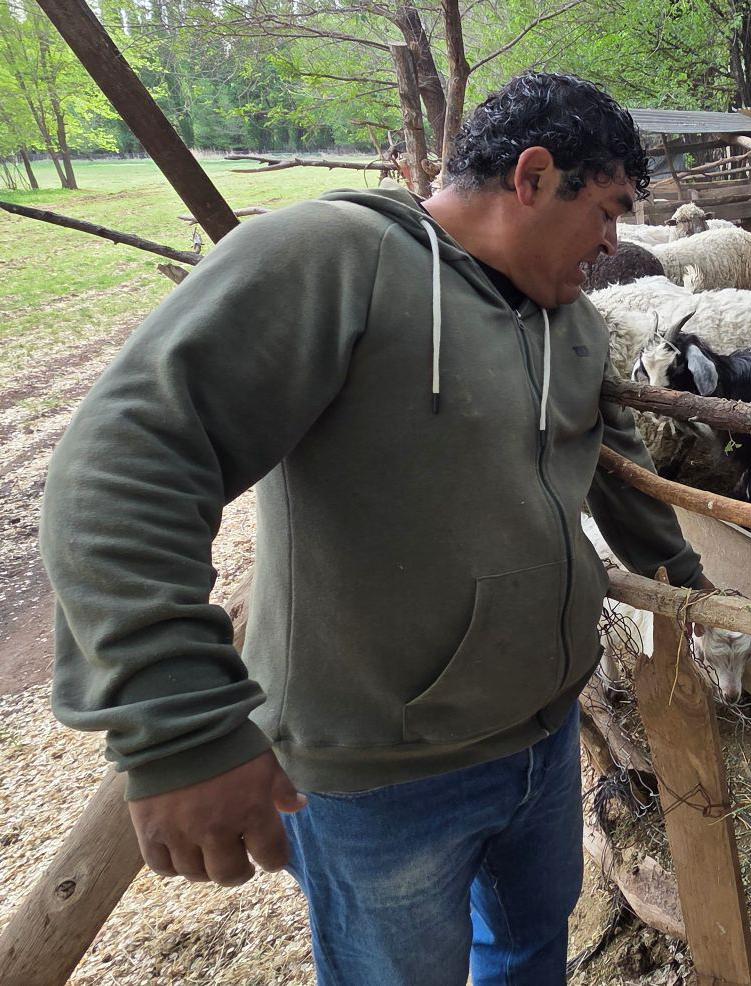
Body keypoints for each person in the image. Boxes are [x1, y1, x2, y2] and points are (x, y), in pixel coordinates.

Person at [41, 72, 713, 985]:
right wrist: (178, 726)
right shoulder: (331, 257)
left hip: (543, 736)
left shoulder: (574, 324)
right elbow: (126, 462)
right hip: (381, 775)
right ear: (531, 177)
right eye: (606, 210)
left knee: (528, 950)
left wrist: (685, 583)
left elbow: (611, 461)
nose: (613, 243)